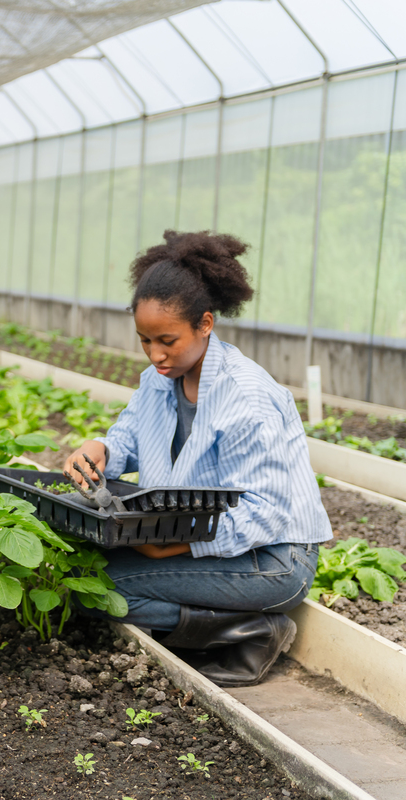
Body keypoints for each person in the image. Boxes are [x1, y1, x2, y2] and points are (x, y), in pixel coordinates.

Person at [64, 230, 331, 687]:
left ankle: (250, 630)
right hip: (201, 537)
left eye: (167, 340)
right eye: (145, 341)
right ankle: (221, 624)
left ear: (205, 324)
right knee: (83, 570)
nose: (156, 355)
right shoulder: (159, 378)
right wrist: (101, 450)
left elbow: (265, 515)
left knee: (99, 588)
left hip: (272, 558)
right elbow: (129, 433)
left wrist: (172, 547)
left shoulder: (246, 397)